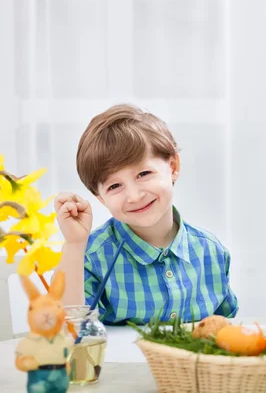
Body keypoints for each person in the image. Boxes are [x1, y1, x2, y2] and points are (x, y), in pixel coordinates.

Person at [54, 104, 238, 324]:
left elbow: (226, 328)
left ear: (172, 167)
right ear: (100, 198)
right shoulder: (94, 256)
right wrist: (75, 244)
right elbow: (67, 327)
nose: (133, 196)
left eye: (143, 173)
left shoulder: (211, 251)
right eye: (114, 186)